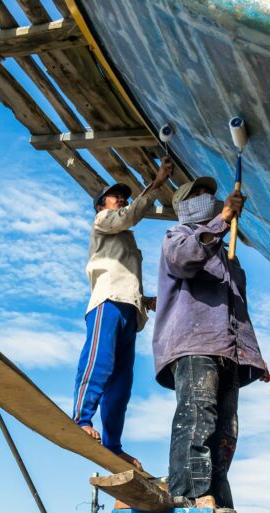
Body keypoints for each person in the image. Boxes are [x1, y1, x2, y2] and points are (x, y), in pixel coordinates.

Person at [152, 176, 269, 513]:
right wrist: (221, 220)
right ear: (186, 205)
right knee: (197, 414)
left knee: (225, 433)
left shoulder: (227, 255)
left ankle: (218, 508)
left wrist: (253, 358)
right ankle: (187, 493)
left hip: (227, 351)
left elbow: (238, 313)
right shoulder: (178, 236)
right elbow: (186, 260)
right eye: (201, 195)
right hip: (194, 344)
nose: (210, 198)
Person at [72, 157, 174, 471]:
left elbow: (124, 276)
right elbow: (128, 216)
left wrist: (145, 301)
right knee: (98, 362)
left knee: (122, 383)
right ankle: (81, 419)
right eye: (117, 196)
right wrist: (155, 185)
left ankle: (113, 445)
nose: (122, 200)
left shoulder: (123, 237)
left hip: (129, 308)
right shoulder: (103, 220)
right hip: (107, 303)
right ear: (101, 204)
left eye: (123, 197)